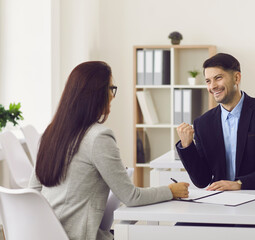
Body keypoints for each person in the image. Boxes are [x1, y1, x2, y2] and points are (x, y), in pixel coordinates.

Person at [28, 61, 189, 240]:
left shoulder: (51, 132)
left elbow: (33, 190)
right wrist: (170, 190)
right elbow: (131, 197)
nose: (112, 96)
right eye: (111, 88)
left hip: (44, 233)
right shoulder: (99, 137)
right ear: (96, 93)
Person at [176, 53, 255, 191]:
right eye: (208, 81)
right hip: (222, 201)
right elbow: (202, 180)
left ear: (236, 77)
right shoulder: (203, 123)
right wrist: (187, 146)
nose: (213, 86)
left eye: (218, 78)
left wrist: (240, 184)